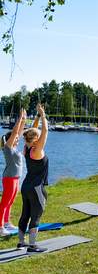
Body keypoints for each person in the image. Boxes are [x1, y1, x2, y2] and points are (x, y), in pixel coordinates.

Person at [17, 104, 49, 252]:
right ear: (35, 139)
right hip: (36, 188)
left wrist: (36, 117)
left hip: (26, 186)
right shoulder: (37, 150)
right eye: (37, 135)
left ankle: (21, 242)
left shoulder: (27, 148)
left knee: (25, 214)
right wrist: (42, 115)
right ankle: (32, 245)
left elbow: (33, 131)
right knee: (36, 215)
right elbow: (45, 130)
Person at [0, 109, 27, 236]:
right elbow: (16, 132)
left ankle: (6, 223)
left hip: (15, 178)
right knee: (5, 202)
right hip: (9, 178)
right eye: (15, 138)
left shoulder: (14, 148)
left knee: (10, 201)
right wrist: (20, 118)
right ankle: (0, 227)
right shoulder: (8, 148)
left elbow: (19, 133)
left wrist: (24, 120)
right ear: (10, 139)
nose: (17, 139)